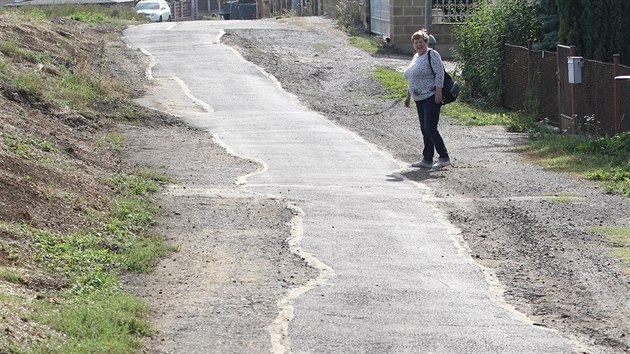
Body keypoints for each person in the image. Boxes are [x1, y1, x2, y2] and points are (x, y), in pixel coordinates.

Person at [403, 29, 451, 170]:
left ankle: (444, 157)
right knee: (425, 129)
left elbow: (439, 74)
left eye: (421, 42)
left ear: (426, 42)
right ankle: (427, 159)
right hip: (419, 98)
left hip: (430, 96)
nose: (418, 45)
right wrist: (408, 96)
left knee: (430, 128)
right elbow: (412, 77)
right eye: (415, 42)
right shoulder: (416, 57)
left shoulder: (432, 54)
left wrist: (438, 92)